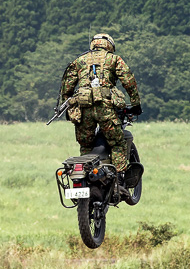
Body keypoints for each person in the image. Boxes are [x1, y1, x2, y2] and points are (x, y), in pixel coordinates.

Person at [59, 33, 142, 191]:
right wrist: (136, 103)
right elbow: (128, 80)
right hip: (105, 109)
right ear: (109, 45)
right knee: (117, 142)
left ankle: (86, 176)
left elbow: (67, 87)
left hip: (84, 110)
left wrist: (70, 107)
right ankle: (119, 180)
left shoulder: (79, 61)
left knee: (86, 144)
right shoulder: (113, 59)